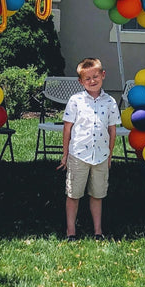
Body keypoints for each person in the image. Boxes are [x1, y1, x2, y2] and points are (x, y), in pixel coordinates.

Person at [57, 58, 121, 240]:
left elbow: (112, 130)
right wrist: (65, 155)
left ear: (103, 75)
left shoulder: (109, 102)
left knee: (98, 194)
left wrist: (109, 155)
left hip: (100, 155)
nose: (92, 81)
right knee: (73, 194)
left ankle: (98, 231)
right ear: (81, 81)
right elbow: (67, 128)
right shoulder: (75, 101)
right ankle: (71, 231)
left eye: (95, 76)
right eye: (87, 78)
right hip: (78, 155)